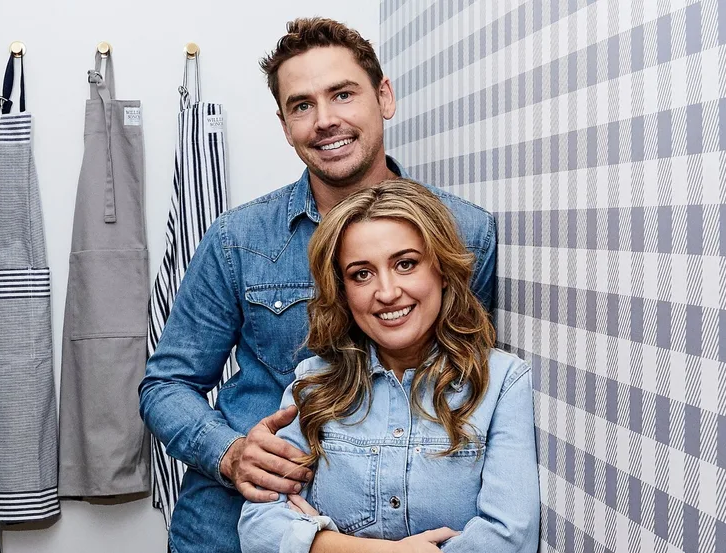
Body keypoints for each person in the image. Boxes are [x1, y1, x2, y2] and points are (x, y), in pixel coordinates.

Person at [138, 18, 498, 553]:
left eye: (343, 94)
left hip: (386, 534)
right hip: (232, 521)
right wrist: (229, 451)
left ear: (384, 97)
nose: (325, 120)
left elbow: (469, 377)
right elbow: (165, 384)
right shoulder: (238, 239)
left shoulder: (464, 232)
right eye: (302, 105)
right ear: (285, 126)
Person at [237, 179, 540, 553]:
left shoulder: (501, 383)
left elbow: (509, 539)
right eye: (361, 274)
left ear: (442, 270)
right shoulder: (314, 382)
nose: (387, 292)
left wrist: (317, 542)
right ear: (343, 291)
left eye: (406, 264)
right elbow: (257, 528)